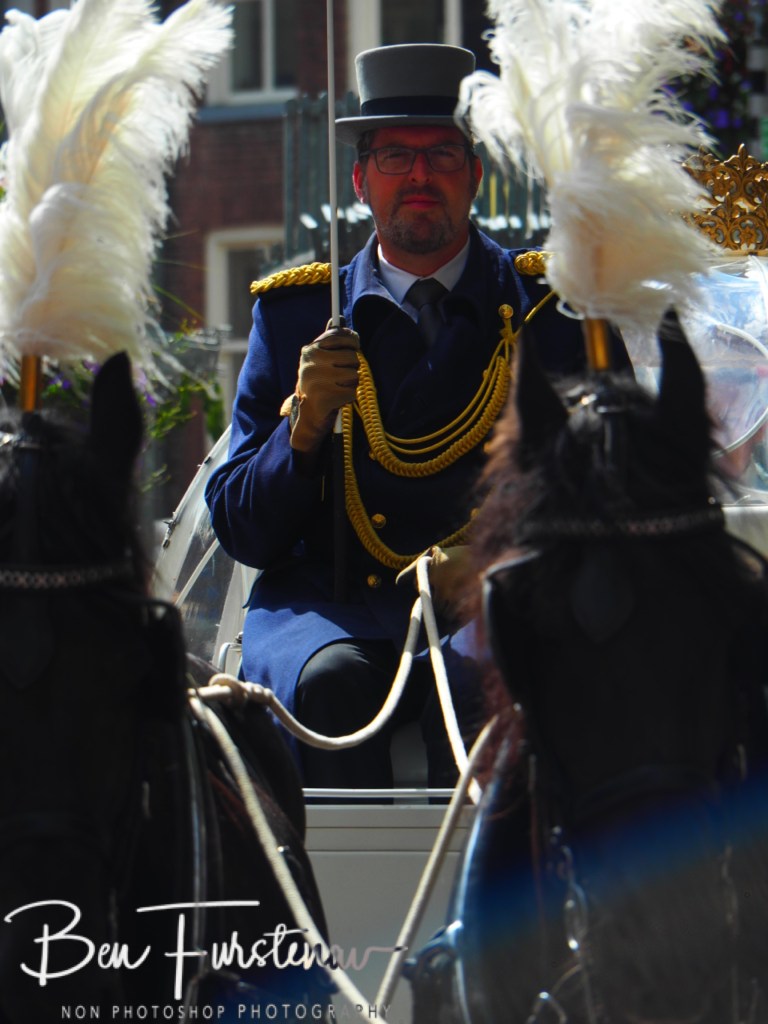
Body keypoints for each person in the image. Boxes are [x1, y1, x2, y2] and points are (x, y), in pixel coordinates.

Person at [205, 43, 620, 789]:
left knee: (491, 684)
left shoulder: (555, 312)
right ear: (361, 180)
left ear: (476, 175)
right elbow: (244, 531)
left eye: (442, 154)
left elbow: (608, 498)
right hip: (331, 609)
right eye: (396, 155)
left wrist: (501, 558)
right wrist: (300, 430)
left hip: (503, 595)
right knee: (329, 684)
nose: (420, 176)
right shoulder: (297, 313)